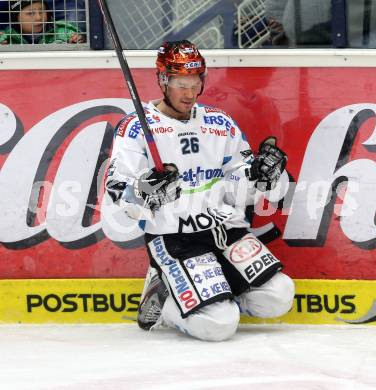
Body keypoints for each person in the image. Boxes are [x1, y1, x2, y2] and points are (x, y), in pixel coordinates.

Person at [105, 40, 295, 341]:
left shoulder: (219, 122)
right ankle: (166, 299)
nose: (190, 92)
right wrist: (145, 190)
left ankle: (212, 294)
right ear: (163, 80)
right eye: (181, 83)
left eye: (195, 83)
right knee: (219, 326)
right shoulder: (136, 127)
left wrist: (263, 175)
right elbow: (117, 192)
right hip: (177, 238)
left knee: (280, 295)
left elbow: (242, 187)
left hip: (224, 229)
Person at [0, 0, 85, 45]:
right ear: (16, 18)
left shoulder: (64, 31)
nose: (38, 17)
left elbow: (76, 39)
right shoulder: (6, 37)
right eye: (31, 13)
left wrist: (76, 40)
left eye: (42, 11)